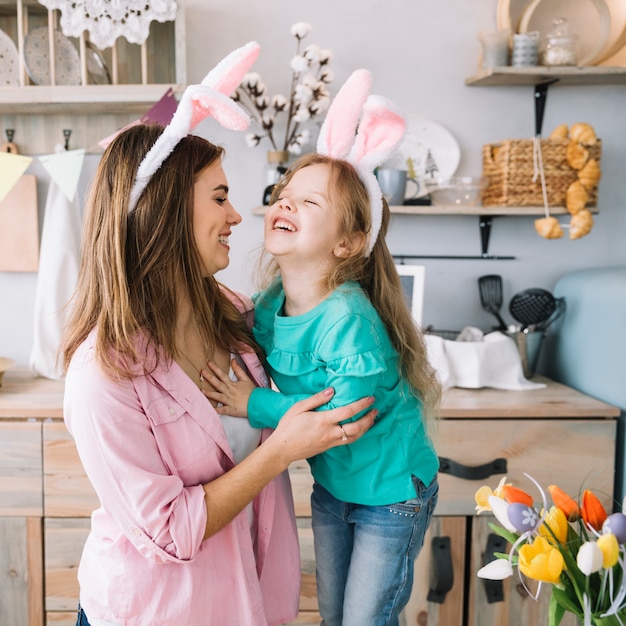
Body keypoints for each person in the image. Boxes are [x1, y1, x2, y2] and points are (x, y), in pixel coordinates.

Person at [60, 44, 376, 626]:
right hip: (157, 612)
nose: (237, 216)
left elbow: (322, 338)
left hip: (249, 601)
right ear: (167, 211)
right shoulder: (102, 374)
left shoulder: (236, 314)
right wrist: (284, 446)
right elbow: (170, 531)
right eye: (221, 197)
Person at [201, 70, 441, 626]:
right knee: (335, 616)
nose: (284, 204)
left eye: (308, 202)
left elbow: (342, 419)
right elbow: (242, 333)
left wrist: (251, 405)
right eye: (283, 196)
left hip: (390, 494)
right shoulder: (272, 303)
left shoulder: (348, 319)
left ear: (348, 243)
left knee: (363, 621)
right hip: (335, 488)